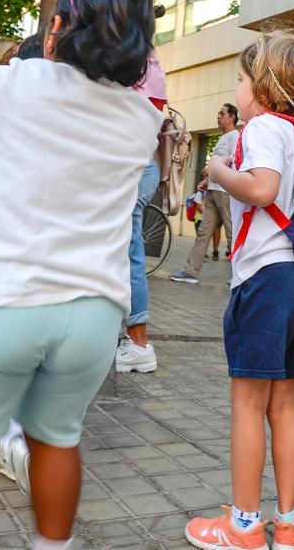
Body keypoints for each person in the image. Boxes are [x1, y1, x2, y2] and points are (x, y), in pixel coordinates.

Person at [0, 0, 162, 550]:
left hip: (7, 298)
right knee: (57, 438)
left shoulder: (18, 80)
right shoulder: (142, 119)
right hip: (95, 312)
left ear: (61, 24)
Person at [183, 29, 294, 550]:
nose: (238, 87)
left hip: (267, 278)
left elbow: (263, 188)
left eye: (242, 78)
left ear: (264, 86)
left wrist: (220, 169)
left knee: (248, 404)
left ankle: (243, 525)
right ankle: (289, 523)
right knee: (286, 405)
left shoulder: (266, 126)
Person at [115, 51, 169, 374]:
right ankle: (134, 340)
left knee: (131, 249)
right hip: (140, 165)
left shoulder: (135, 60)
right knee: (127, 248)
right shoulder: (149, 63)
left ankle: (138, 343)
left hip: (132, 166)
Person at [169, 103, 240, 284]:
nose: (218, 116)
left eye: (222, 113)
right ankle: (190, 272)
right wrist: (206, 181)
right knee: (203, 233)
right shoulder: (223, 138)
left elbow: (236, 162)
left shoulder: (236, 137)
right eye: (218, 113)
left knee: (233, 234)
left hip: (226, 193)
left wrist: (211, 169)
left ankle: (239, 276)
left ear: (232, 117)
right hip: (213, 192)